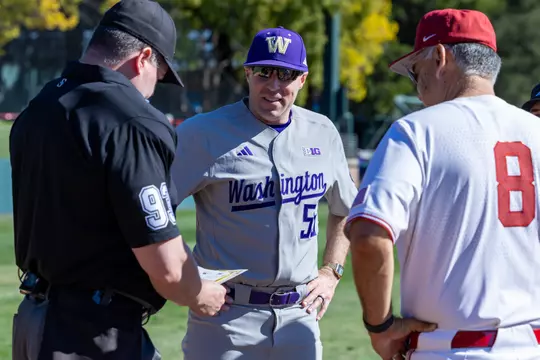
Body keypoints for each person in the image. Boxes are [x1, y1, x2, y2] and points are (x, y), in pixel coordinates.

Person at [10, 1, 229, 359]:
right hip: (92, 332)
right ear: (143, 57)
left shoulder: (40, 107)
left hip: (35, 319)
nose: (151, 92)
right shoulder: (131, 120)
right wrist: (200, 293)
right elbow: (169, 267)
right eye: (157, 77)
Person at [345, 8, 540, 360]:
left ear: (440, 56)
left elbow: (369, 237)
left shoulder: (416, 131)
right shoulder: (536, 131)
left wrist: (380, 327)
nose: (418, 90)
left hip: (450, 349)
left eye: (416, 73)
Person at [171, 26, 358, 359]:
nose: (274, 85)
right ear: (247, 74)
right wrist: (188, 282)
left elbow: (345, 208)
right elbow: (153, 213)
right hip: (225, 318)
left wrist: (332, 271)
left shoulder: (322, 131)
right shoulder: (203, 133)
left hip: (300, 317)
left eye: (286, 74)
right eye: (263, 72)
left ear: (302, 79)